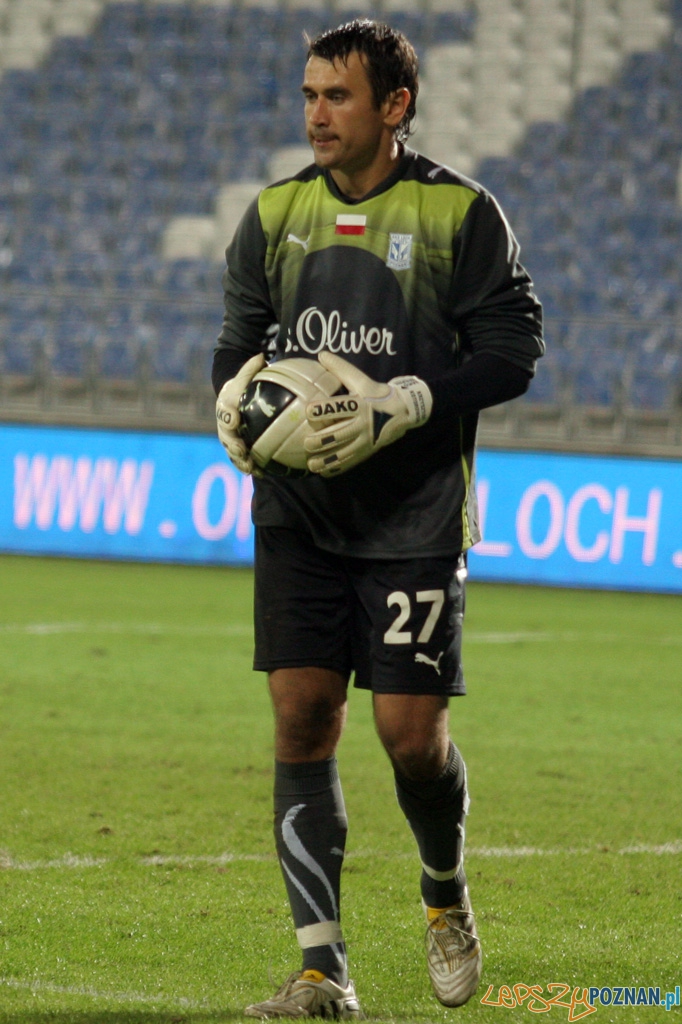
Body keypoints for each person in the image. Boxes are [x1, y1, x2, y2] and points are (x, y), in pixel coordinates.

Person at [213, 18, 543, 1019]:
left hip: (414, 516)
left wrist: (402, 402)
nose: (316, 113)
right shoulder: (273, 215)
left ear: (393, 106)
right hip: (299, 515)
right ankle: (322, 971)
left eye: (337, 96)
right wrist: (233, 406)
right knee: (303, 713)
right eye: (309, 94)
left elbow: (510, 352)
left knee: (409, 734)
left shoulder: (460, 215)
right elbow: (236, 342)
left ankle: (442, 888)